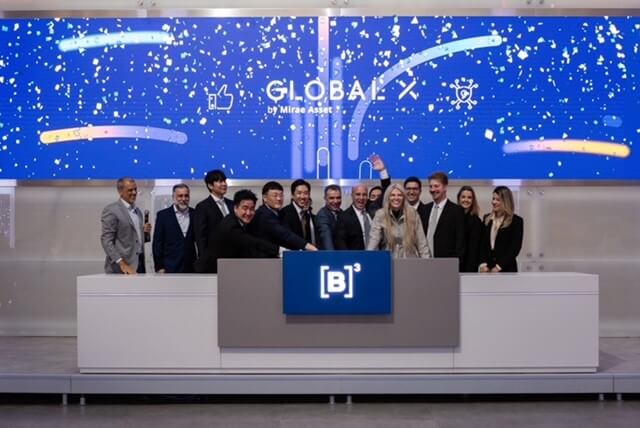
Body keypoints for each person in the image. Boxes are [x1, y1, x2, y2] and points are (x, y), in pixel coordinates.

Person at [101, 177, 152, 274]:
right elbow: (106, 241)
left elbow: (133, 239)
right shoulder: (111, 210)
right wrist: (122, 263)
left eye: (135, 189)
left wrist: (143, 233)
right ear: (120, 191)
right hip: (121, 268)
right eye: (130, 190)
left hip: (139, 265)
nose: (134, 192)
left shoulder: (138, 211)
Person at [211, 189, 279, 262]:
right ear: (235, 208)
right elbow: (252, 242)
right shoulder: (230, 225)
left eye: (252, 209)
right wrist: (278, 250)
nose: (248, 213)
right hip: (214, 268)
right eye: (245, 208)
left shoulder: (243, 222)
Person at [367, 184, 430, 258]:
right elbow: (374, 239)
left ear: (404, 197)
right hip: (389, 259)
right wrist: (368, 258)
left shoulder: (413, 213)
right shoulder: (380, 214)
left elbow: (422, 243)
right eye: (392, 195)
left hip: (410, 260)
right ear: (388, 198)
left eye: (399, 195)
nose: (396, 198)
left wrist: (427, 261)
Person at [418, 172, 465, 268]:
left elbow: (460, 242)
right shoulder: (424, 209)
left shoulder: (456, 211)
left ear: (445, 187)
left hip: (446, 265)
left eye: (436, 186)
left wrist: (453, 264)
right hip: (424, 264)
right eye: (430, 186)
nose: (433, 190)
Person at [252, 181, 317, 251]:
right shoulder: (263, 214)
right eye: (275, 196)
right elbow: (284, 234)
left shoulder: (279, 213)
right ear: (265, 197)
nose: (279, 199)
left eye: (281, 195)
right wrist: (307, 246)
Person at [193, 169, 234, 273]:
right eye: (220, 181)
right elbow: (200, 236)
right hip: (213, 260)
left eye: (224, 181)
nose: (224, 184)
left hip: (233, 258)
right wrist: (204, 259)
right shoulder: (202, 207)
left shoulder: (232, 204)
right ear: (210, 186)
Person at [152, 184, 196, 273]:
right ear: (173, 197)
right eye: (180, 196)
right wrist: (159, 267)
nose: (183, 199)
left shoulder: (195, 214)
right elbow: (157, 243)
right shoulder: (163, 216)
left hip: (191, 267)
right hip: (169, 267)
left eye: (186, 196)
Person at [479, 186, 524, 273]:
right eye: (493, 199)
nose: (494, 202)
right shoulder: (486, 218)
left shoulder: (516, 221)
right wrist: (483, 264)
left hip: (507, 269)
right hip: (487, 270)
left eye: (498, 200)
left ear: (506, 201)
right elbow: (482, 244)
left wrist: (499, 267)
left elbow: (515, 248)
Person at [334, 184, 372, 251]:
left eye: (364, 195)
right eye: (358, 194)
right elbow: (341, 244)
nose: (361, 198)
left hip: (376, 255)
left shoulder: (372, 213)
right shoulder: (343, 217)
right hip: (355, 257)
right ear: (352, 195)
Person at [279, 179, 318, 246]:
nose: (302, 197)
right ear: (292, 195)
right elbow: (287, 238)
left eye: (306, 193)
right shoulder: (284, 213)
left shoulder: (308, 214)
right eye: (299, 193)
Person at [457, 185, 483, 273]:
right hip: (453, 264)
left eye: (469, 197)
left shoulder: (476, 221)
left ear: (473, 200)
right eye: (463, 197)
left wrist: (469, 271)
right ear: (459, 199)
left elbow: (474, 249)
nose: (466, 200)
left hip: (469, 267)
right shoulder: (453, 217)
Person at [315, 184, 342, 250]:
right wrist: (331, 255)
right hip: (328, 255)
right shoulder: (322, 215)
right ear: (325, 198)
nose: (335, 201)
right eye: (331, 198)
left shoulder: (341, 212)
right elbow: (326, 239)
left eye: (338, 198)